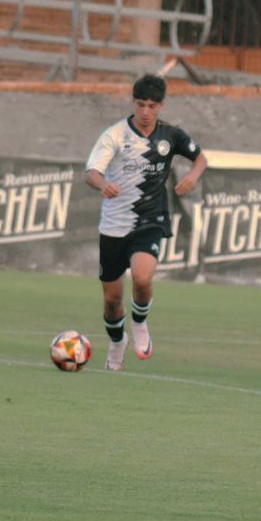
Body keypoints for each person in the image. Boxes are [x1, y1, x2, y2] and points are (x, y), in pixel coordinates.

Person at [84, 73, 208, 371]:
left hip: (149, 220)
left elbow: (200, 158)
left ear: (161, 106)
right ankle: (117, 344)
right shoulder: (115, 135)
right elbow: (91, 172)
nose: (145, 112)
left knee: (142, 277)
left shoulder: (171, 135)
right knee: (112, 300)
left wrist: (192, 176)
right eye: (140, 105)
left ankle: (140, 323)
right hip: (114, 226)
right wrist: (102, 185)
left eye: (152, 106)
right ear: (133, 103)